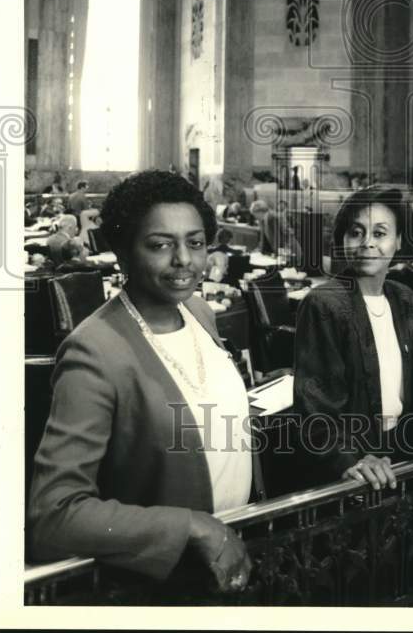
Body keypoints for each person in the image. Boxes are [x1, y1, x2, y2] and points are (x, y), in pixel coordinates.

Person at [28, 170, 253, 594]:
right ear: (124, 254)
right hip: (165, 584)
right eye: (160, 245)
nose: (183, 259)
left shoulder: (200, 314)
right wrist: (191, 527)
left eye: (195, 242)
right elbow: (53, 516)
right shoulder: (94, 351)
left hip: (235, 557)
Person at [293, 186, 413, 490]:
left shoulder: (402, 298)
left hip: (405, 452)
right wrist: (352, 461)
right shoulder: (324, 304)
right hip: (353, 465)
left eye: (380, 233)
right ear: (343, 240)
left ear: (397, 241)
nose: (367, 243)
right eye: (356, 232)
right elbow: (316, 410)